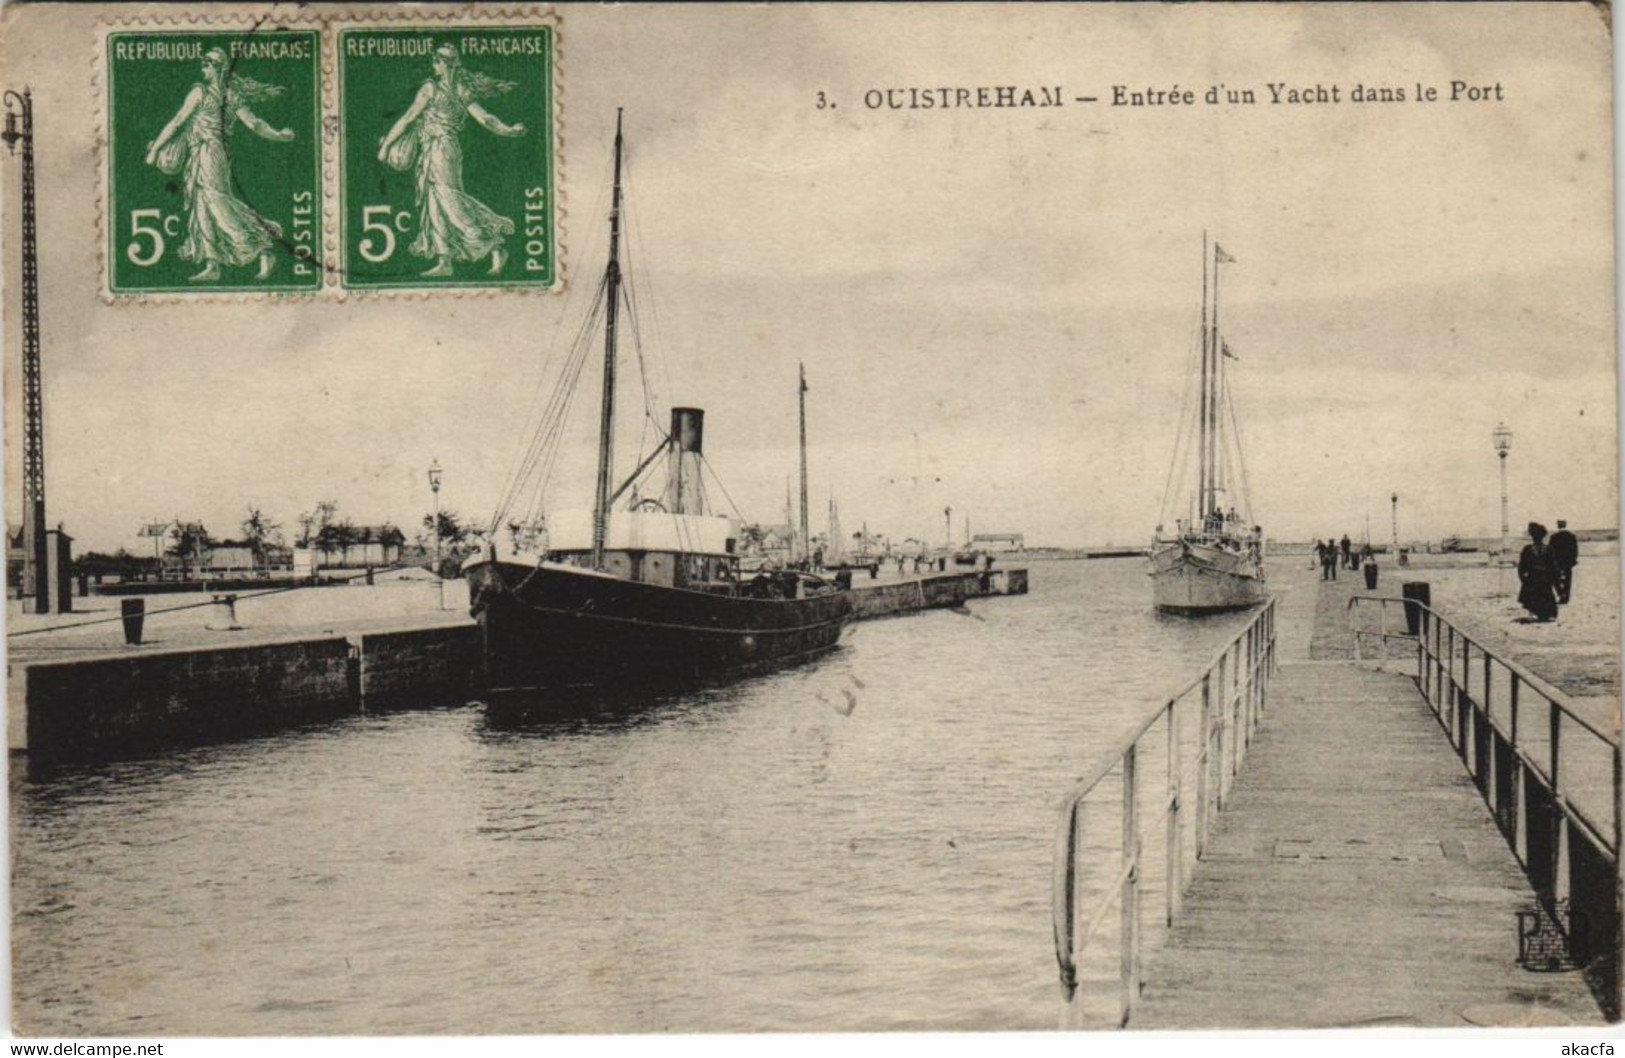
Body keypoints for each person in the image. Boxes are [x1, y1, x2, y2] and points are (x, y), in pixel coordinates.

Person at [145, 48, 296, 281]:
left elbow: (178, 122)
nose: (203, 64)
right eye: (203, 61)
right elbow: (254, 124)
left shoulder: (204, 92)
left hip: (211, 151)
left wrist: (155, 150)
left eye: (209, 62)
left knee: (216, 201)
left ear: (220, 67)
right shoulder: (226, 93)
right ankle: (212, 264)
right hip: (201, 152)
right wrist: (279, 134)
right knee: (201, 204)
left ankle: (263, 245)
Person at [378, 43, 527, 277]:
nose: (433, 65)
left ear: (443, 63)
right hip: (434, 149)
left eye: (436, 61)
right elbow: (486, 118)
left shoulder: (433, 88)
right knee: (434, 202)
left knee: (448, 200)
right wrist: (508, 130)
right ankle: (444, 260)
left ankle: (494, 245)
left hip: (442, 149)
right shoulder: (459, 88)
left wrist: (386, 146)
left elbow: (408, 117)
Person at [1517, 522, 1559, 622]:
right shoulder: (1549, 549)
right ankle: (1545, 614)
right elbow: (1553, 565)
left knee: (1534, 595)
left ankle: (1536, 612)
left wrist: (1523, 578)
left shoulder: (1528, 549)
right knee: (1546, 595)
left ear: (1532, 536)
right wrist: (1555, 577)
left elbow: (1522, 565)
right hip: (1545, 576)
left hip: (1533, 576)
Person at [1548, 520, 1578, 604]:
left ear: (1558, 526)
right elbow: (1575, 550)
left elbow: (1551, 550)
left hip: (1557, 562)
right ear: (1565, 525)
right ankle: (1566, 597)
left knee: (1556, 579)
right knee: (1568, 580)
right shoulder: (1571, 536)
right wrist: (1573, 560)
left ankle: (1561, 594)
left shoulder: (1554, 537)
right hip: (1568, 562)